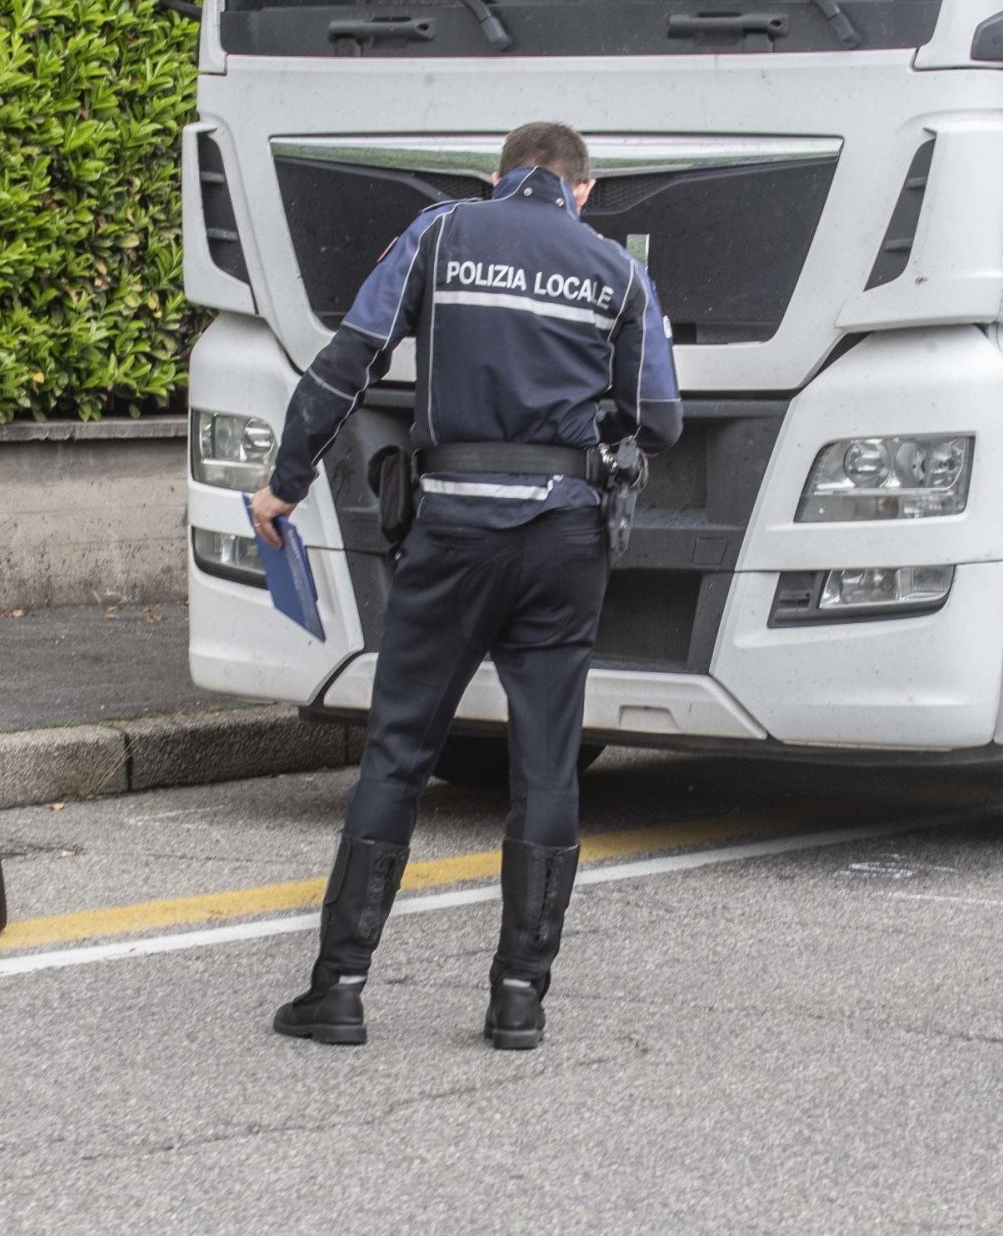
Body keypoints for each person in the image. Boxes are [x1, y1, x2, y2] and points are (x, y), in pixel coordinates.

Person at [249, 121, 682, 1050]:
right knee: (546, 762)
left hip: (451, 529)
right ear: (583, 188)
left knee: (401, 749)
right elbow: (662, 419)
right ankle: (519, 998)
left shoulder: (441, 233)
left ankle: (340, 989)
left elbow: (346, 364)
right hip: (564, 537)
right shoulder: (619, 271)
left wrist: (285, 483)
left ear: (497, 178)